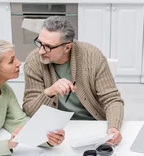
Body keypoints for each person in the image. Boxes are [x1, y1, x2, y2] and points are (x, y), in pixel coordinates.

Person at [22, 16, 124, 146]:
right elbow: (29, 111)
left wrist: (114, 127)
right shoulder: (33, 61)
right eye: (40, 43)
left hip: (93, 125)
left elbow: (112, 99)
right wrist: (49, 92)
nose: (41, 51)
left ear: (67, 47)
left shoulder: (93, 56)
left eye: (48, 47)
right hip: (56, 132)